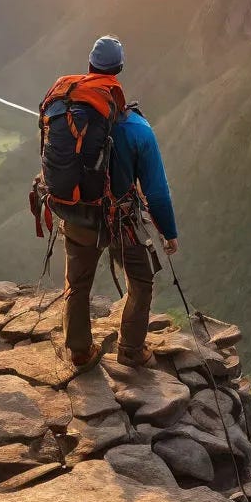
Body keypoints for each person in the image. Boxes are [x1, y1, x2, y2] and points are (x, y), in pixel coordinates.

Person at [62, 35, 179, 371]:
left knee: (77, 283)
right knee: (141, 282)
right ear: (119, 71)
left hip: (77, 215)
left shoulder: (71, 113)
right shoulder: (137, 128)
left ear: (90, 67)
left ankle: (80, 350)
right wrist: (168, 232)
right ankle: (130, 349)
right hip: (122, 222)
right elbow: (156, 191)